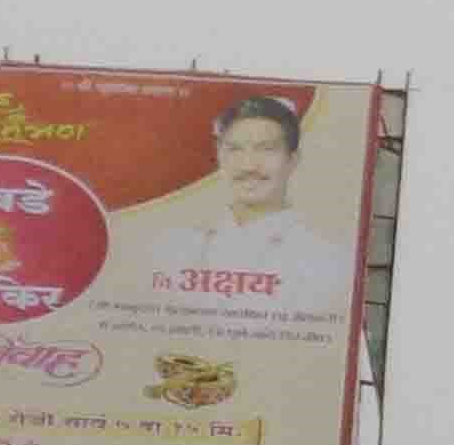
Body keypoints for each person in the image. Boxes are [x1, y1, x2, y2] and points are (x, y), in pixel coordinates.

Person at [148, 93, 351, 321]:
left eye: (266, 149)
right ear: (219, 158)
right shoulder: (177, 247)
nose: (249, 165)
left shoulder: (325, 260)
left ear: (292, 160)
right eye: (234, 149)